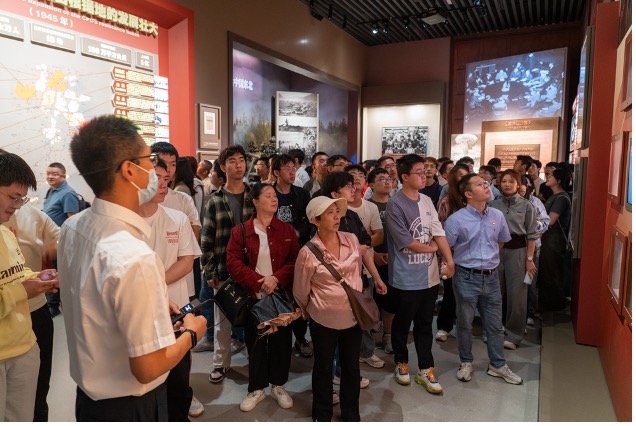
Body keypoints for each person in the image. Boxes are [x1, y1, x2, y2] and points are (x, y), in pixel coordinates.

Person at [57, 115, 206, 421]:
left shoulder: (73, 227)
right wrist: (192, 333)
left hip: (89, 399)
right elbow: (148, 367)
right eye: (149, 160)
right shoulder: (134, 256)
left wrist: (154, 301)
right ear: (129, 170)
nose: (158, 171)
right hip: (130, 405)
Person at [138, 158, 203, 420]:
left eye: (167, 179)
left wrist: (149, 285)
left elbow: (186, 262)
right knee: (146, 383)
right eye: (157, 179)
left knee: (178, 381)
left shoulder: (177, 218)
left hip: (175, 311)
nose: (164, 185)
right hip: (140, 315)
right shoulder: (126, 223)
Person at [226, 183, 300, 412]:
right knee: (256, 343)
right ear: (255, 202)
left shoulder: (286, 230)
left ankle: (278, 385)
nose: (274, 199)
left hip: (280, 296)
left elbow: (295, 260)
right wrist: (260, 281)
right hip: (254, 297)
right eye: (268, 196)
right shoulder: (241, 231)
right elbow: (233, 263)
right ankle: (257, 388)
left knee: (282, 344)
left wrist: (276, 278)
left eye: (275, 195)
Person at [444, 173, 523, 385]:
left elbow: (501, 242)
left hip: (492, 276)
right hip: (465, 276)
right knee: (465, 323)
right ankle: (466, 361)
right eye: (480, 184)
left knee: (495, 325)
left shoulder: (496, 215)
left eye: (485, 183)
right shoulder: (456, 220)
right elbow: (447, 247)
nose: (486, 186)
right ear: (468, 194)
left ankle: (497, 364)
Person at [385, 154, 455, 394]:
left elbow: (438, 232)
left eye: (425, 171)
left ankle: (426, 368)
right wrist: (433, 249)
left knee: (425, 324)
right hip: (405, 277)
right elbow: (406, 241)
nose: (424, 176)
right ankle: (401, 362)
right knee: (402, 323)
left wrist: (448, 259)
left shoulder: (426, 200)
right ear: (405, 176)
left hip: (430, 276)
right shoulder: (395, 204)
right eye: (419, 172)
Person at [293, 196, 367, 421]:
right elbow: (301, 290)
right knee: (324, 367)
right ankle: (322, 414)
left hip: (353, 316)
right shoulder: (308, 252)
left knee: (351, 367)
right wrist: (309, 309)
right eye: (329, 213)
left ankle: (351, 414)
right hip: (323, 319)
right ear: (316, 220)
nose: (336, 217)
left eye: (337, 212)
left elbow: (357, 271)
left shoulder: (351, 239)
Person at [0, 151, 59, 422]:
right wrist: (24, 290)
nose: (17, 206)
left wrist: (37, 277)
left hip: (24, 344)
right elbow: (15, 288)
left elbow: (14, 273)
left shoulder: (4, 232)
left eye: (22, 199)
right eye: (13, 197)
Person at [201, 145, 255, 384]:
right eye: (232, 161)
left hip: (252, 270)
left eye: (241, 160)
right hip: (224, 269)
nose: (238, 165)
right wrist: (210, 269)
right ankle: (221, 363)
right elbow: (207, 239)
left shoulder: (254, 196)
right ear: (223, 167)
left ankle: (257, 361)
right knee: (222, 322)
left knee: (255, 318)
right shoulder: (215, 200)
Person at [489, 170, 538, 349]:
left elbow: (532, 235)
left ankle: (514, 334)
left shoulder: (527, 206)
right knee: (494, 293)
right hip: (496, 251)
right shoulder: (492, 204)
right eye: (504, 181)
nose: (507, 184)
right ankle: (493, 330)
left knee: (517, 295)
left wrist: (529, 259)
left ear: (518, 185)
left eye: (511, 181)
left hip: (518, 252)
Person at [271, 154, 313, 357]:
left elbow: (311, 221)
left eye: (293, 168)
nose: (292, 172)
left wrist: (298, 232)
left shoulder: (302, 194)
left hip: (299, 251)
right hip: (275, 253)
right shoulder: (269, 193)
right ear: (276, 172)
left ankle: (301, 337)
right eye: (286, 168)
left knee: (300, 295)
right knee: (278, 294)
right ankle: (279, 337)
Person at [435, 165, 469, 343]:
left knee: (469, 294)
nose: (464, 178)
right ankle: (444, 326)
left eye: (466, 175)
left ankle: (466, 328)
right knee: (450, 291)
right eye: (460, 175)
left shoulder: (474, 200)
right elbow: (439, 228)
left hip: (471, 254)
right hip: (452, 252)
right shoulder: (447, 201)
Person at [43, 162, 80, 317]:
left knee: (61, 273)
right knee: (53, 271)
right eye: (48, 173)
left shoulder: (68, 194)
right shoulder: (51, 191)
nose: (50, 176)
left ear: (64, 176)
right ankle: (53, 304)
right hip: (50, 241)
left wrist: (60, 243)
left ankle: (57, 305)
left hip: (62, 243)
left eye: (55, 174)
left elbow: (73, 222)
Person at [366, 167, 396, 354]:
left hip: (394, 259)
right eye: (382, 179)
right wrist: (373, 254)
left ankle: (388, 335)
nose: (387, 182)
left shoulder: (396, 204)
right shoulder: (367, 206)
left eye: (389, 179)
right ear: (371, 184)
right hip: (370, 259)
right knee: (370, 300)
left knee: (391, 300)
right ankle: (367, 338)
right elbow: (362, 235)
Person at [537, 167, 572, 312]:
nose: (548, 177)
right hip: (549, 239)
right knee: (547, 271)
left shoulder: (561, 198)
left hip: (554, 241)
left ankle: (554, 305)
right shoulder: (554, 196)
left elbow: (550, 221)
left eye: (551, 176)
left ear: (558, 181)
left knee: (552, 271)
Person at [519, 176, 550, 325]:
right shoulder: (503, 201)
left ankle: (528, 313)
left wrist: (533, 225)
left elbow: (545, 222)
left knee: (530, 281)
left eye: (521, 184)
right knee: (513, 284)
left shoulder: (535, 202)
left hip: (533, 247)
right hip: (512, 247)